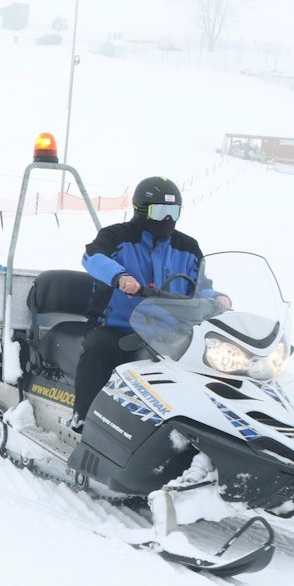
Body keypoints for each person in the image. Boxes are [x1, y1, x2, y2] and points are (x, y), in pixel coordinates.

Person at [70, 176, 224, 431]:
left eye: (173, 212)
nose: (167, 219)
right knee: (99, 348)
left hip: (167, 333)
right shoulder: (117, 236)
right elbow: (92, 256)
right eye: (160, 211)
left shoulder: (187, 247)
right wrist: (120, 276)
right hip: (117, 327)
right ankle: (84, 419)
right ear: (141, 210)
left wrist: (217, 298)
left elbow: (200, 287)